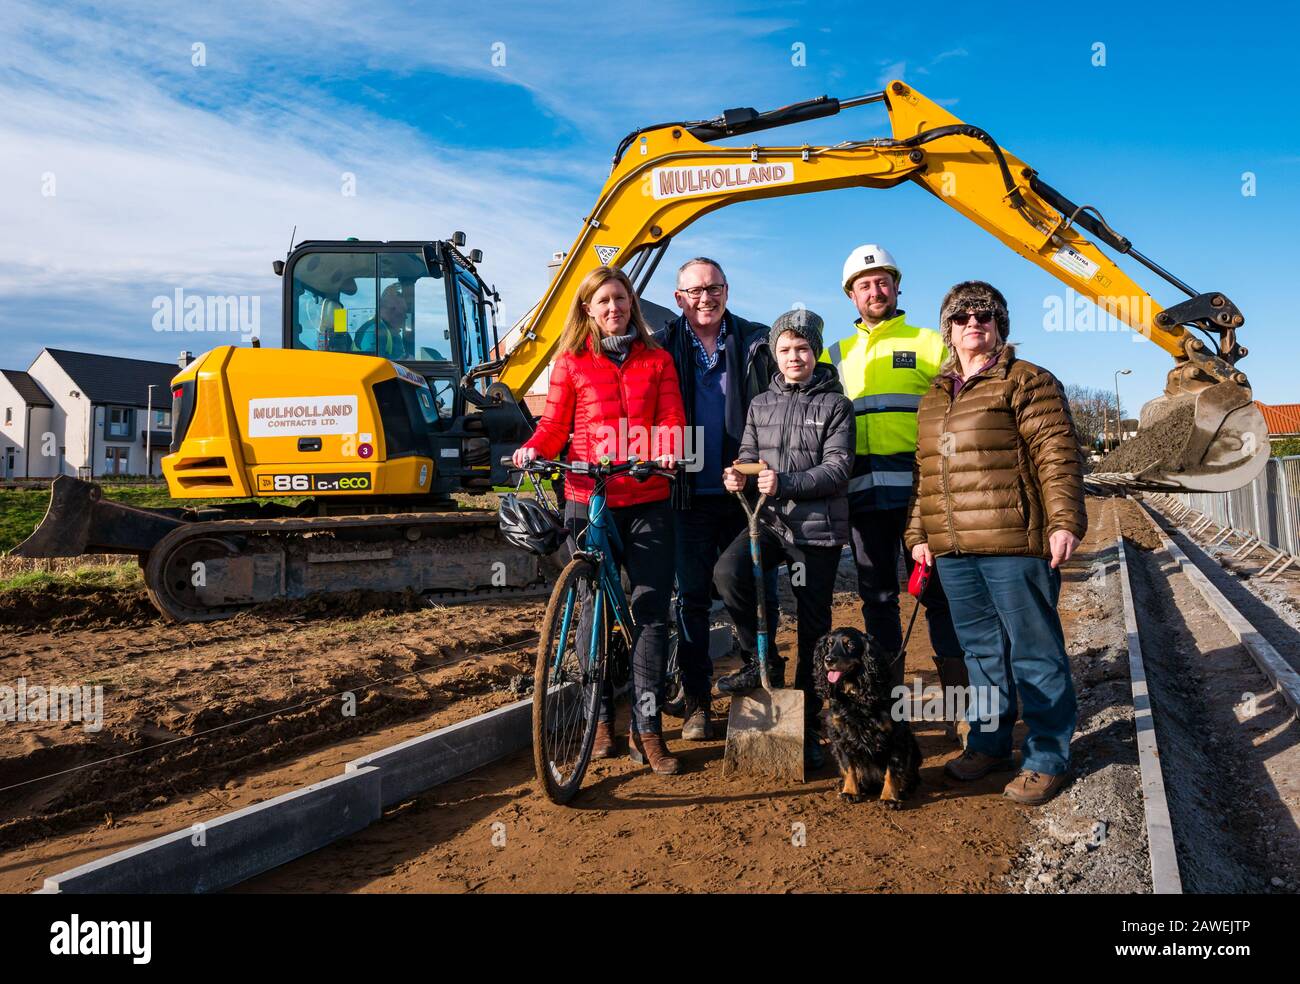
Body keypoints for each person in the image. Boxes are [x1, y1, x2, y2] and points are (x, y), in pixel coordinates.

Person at [905, 281, 1086, 805]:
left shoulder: (1027, 381)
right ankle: (988, 744)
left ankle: (1048, 755)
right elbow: (927, 473)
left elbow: (1057, 454)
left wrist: (1064, 521)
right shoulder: (935, 397)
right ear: (948, 331)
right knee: (982, 652)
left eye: (984, 315)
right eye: (961, 317)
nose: (973, 323)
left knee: (1034, 650)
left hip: (1015, 543)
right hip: (954, 550)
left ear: (1000, 325)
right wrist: (920, 534)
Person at [513, 266, 687, 775]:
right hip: (585, 495)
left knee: (651, 612)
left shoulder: (657, 360)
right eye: (603, 301)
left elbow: (672, 418)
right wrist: (531, 450)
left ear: (631, 303)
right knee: (590, 611)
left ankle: (648, 728)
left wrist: (668, 453)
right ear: (587, 309)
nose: (614, 308)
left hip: (647, 493)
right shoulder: (570, 363)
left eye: (621, 299)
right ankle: (600, 719)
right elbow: (553, 425)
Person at [821, 244, 968, 742]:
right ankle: (889, 710)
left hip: (922, 499)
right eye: (864, 284)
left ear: (897, 286)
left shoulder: (930, 342)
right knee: (877, 600)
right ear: (851, 294)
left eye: (883, 281)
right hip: (863, 500)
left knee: (940, 597)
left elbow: (961, 406)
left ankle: (961, 712)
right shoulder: (833, 354)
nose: (875, 290)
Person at [715, 309, 854, 770]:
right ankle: (763, 661)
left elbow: (837, 469)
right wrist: (738, 474)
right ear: (774, 355)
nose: (794, 356)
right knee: (729, 572)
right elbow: (749, 456)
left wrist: (787, 482)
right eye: (785, 349)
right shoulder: (761, 404)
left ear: (815, 352)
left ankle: (809, 721)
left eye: (803, 348)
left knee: (814, 626)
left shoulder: (836, 405)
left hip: (816, 531)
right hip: (770, 524)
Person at [657, 257, 777, 741]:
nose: (705, 298)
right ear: (678, 298)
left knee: (752, 589)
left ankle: (762, 684)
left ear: (727, 290)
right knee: (690, 601)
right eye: (695, 291)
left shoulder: (754, 341)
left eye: (714, 288)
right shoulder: (663, 346)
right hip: (686, 493)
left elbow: (785, 396)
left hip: (743, 493)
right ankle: (697, 704)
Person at [356, 284, 409, 360]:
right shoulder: (375, 330)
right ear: (390, 310)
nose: (406, 317)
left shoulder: (390, 332)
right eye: (403, 311)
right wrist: (404, 360)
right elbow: (373, 363)